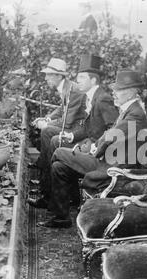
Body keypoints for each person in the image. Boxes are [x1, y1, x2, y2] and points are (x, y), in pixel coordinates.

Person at [38, 70, 147, 228]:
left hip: (112, 167)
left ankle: (53, 198)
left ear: (132, 92)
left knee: (58, 152)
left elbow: (111, 135)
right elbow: (110, 133)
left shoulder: (135, 114)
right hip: (108, 160)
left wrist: (94, 149)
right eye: (114, 89)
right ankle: (61, 216)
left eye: (118, 90)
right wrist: (94, 147)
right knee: (59, 167)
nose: (114, 93)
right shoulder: (130, 109)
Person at [28, 54, 118, 209]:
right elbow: (87, 125)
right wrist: (71, 135)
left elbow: (114, 128)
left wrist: (97, 146)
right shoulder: (92, 96)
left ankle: (50, 192)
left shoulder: (102, 98)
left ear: (93, 80)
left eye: (82, 77)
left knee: (55, 147)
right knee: (55, 147)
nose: (78, 81)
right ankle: (54, 194)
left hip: (96, 152)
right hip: (84, 140)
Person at [30, 58, 87, 195]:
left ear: (58, 76)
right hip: (72, 126)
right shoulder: (66, 87)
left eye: (49, 75)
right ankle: (44, 174)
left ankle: (46, 184)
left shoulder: (73, 90)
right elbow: (62, 109)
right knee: (47, 132)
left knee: (47, 131)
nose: (45, 78)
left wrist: (46, 124)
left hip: (78, 130)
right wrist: (47, 118)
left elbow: (67, 122)